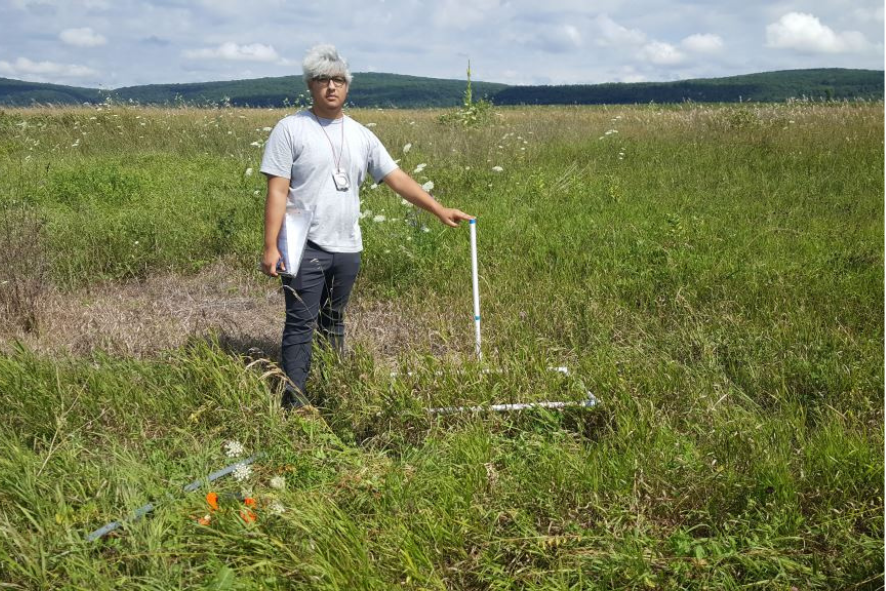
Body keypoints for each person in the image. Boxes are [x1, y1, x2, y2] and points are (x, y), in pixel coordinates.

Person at [260, 44, 473, 410]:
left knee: (333, 322)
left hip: (347, 247)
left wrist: (439, 209)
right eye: (323, 80)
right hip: (303, 245)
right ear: (310, 85)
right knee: (300, 326)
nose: (332, 86)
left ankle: (330, 391)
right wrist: (270, 246)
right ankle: (294, 406)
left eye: (339, 79)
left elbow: (398, 179)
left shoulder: (362, 135)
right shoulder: (290, 129)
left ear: (348, 86)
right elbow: (277, 191)